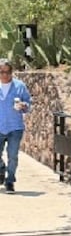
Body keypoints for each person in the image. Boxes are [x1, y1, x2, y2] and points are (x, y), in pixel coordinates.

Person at [0, 58, 32, 194]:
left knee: (13, 156)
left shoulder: (19, 86)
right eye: (1, 72)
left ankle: (10, 181)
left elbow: (28, 103)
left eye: (7, 72)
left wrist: (24, 106)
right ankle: (1, 169)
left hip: (15, 127)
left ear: (11, 72)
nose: (4, 75)